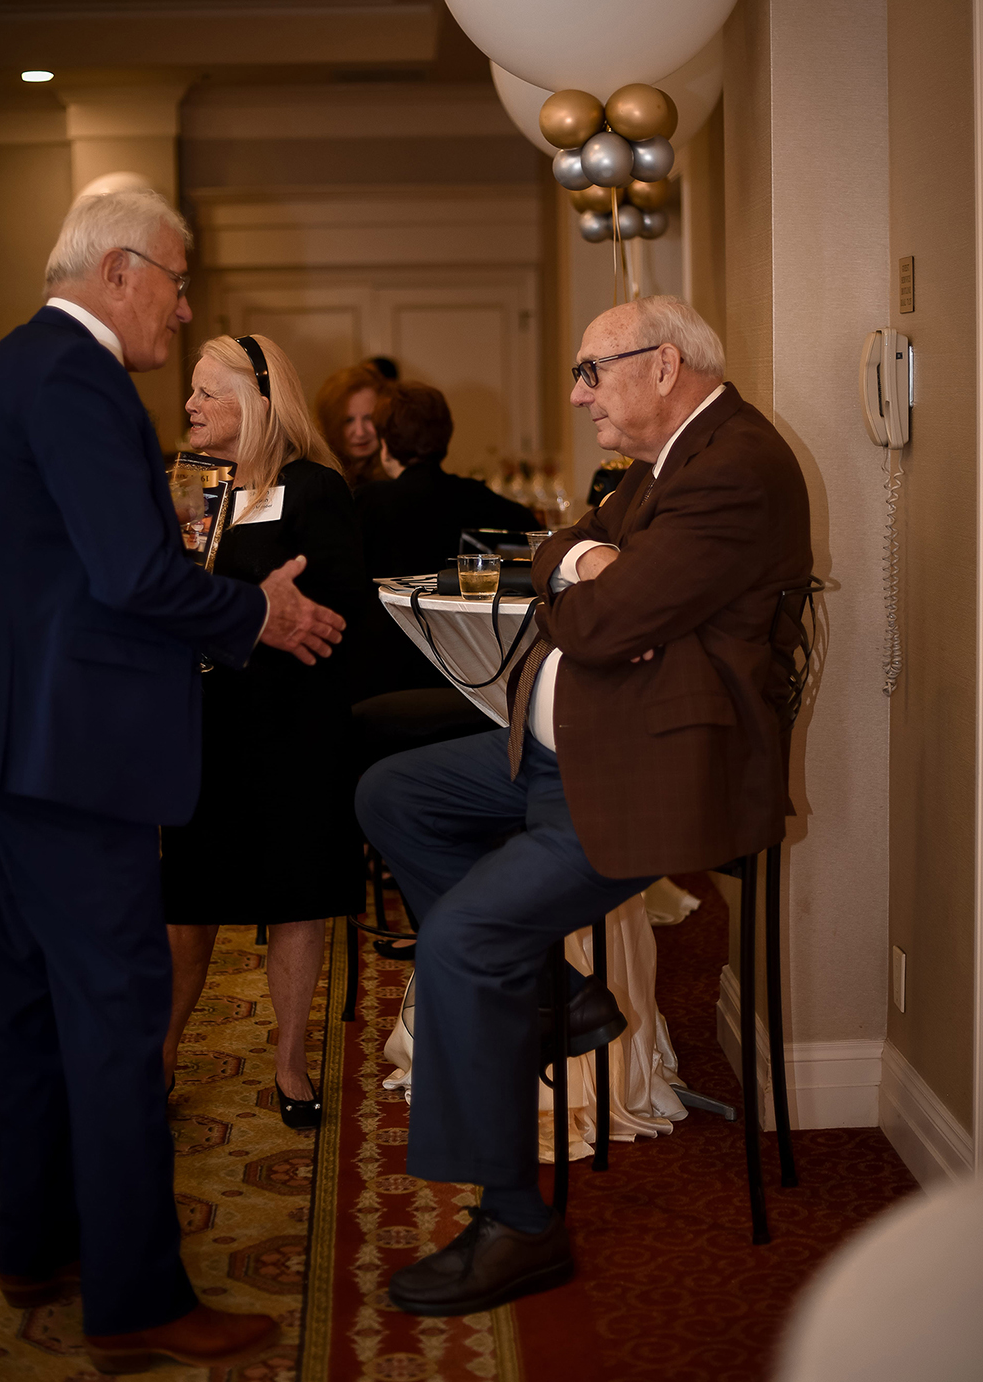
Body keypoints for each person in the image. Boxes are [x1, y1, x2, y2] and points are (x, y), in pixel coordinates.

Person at [356, 294, 813, 1317]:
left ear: (663, 365)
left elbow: (599, 626)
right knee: (393, 792)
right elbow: (553, 547)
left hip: (646, 774)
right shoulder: (663, 464)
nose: (577, 395)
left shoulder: (734, 466)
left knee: (464, 939)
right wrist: (587, 561)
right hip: (573, 751)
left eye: (590, 372)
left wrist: (595, 586)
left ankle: (515, 1220)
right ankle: (553, 994)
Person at [0, 189, 347, 1373]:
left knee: (29, 1007)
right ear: (120, 271)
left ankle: (39, 1246)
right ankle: (137, 1299)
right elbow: (133, 574)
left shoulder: (4, 369)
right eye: (178, 284)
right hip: (76, 752)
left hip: (8, 745)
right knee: (114, 1015)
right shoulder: (81, 379)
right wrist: (258, 612)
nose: (185, 309)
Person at [161, 333, 366, 1125]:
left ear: (257, 401)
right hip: (202, 725)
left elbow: (339, 611)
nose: (189, 405)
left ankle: (290, 1064)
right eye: (191, 390)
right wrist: (248, 614)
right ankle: (162, 1054)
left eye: (206, 392)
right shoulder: (187, 485)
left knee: (296, 895)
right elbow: (168, 600)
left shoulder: (312, 487)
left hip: (294, 725)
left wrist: (278, 614)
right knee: (188, 901)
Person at [349, 381, 540, 701]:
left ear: (385, 444)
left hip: (383, 678)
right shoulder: (482, 500)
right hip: (475, 673)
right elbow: (534, 541)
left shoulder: (364, 503)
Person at [355, 380, 541, 579]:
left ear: (385, 444)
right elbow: (532, 531)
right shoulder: (472, 495)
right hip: (457, 599)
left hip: (386, 599)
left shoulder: (368, 499)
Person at [315, 361, 393, 489]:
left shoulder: (399, 478)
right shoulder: (316, 480)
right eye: (348, 420)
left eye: (369, 418)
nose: (360, 432)